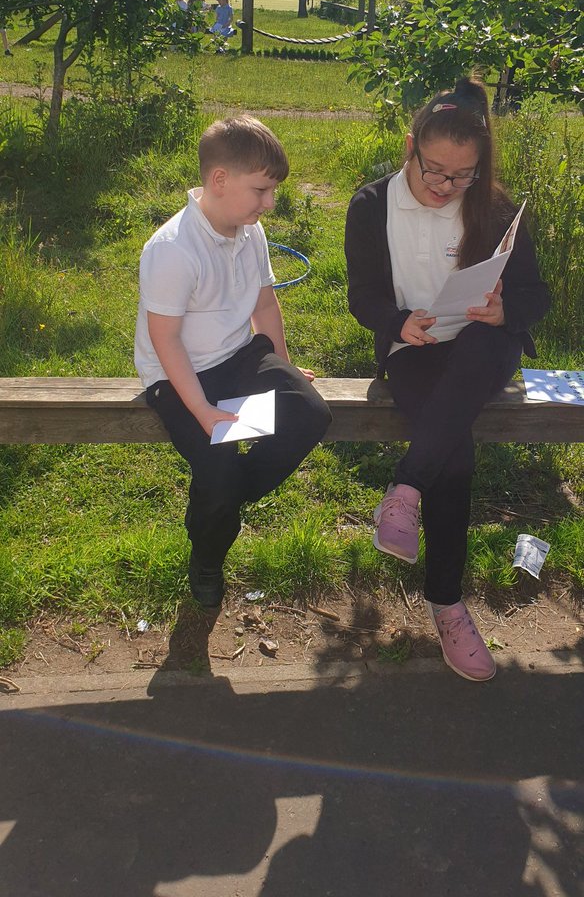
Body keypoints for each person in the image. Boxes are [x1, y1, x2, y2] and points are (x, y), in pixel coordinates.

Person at [344, 77, 550, 682]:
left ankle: (404, 489)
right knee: (453, 453)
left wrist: (505, 309)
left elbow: (537, 295)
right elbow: (362, 295)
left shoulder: (495, 207)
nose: (444, 186)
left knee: (483, 346)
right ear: (410, 147)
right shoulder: (371, 205)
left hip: (484, 346)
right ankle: (448, 606)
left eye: (462, 177)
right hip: (417, 349)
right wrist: (397, 322)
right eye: (434, 170)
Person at [135, 115, 332, 608]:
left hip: (238, 354)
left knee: (310, 413)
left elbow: (265, 304)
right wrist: (203, 410)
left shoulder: (250, 231)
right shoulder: (172, 249)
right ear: (220, 180)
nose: (270, 203)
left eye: (273, 192)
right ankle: (207, 556)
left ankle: (223, 498)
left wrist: (285, 366)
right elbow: (166, 340)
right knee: (218, 465)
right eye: (262, 190)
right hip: (176, 375)